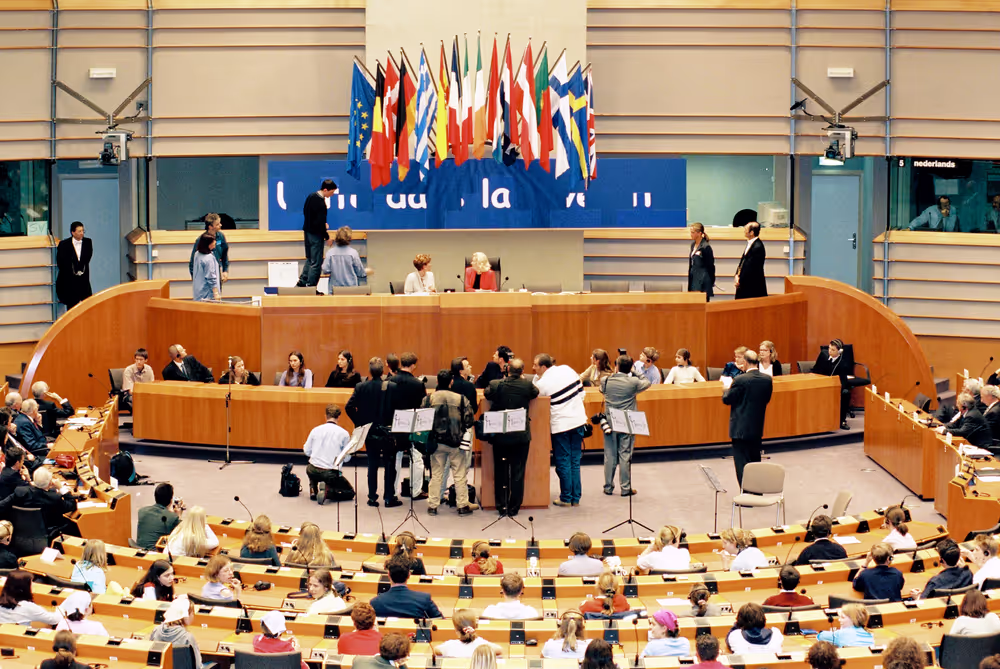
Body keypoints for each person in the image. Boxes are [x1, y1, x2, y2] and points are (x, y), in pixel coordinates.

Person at [484, 358, 538, 517]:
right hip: (520, 436)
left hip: (500, 435)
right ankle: (514, 507)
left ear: (507, 369)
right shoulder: (527, 385)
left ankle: (501, 506)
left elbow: (487, 394)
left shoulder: (495, 384)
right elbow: (535, 393)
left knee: (500, 471)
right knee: (518, 472)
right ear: (522, 371)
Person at [346, 357, 402, 508]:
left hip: (369, 432)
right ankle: (389, 497)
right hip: (388, 432)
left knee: (372, 464)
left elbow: (349, 407)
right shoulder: (393, 387)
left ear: (369, 371)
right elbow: (399, 410)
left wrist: (360, 423)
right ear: (383, 371)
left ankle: (372, 497)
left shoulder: (360, 387)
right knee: (390, 465)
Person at [533, 354, 587, 507]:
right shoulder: (567, 369)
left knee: (563, 460)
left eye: (535, 365)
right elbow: (582, 393)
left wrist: (537, 379)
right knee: (575, 461)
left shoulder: (542, 384)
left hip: (560, 426)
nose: (533, 368)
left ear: (544, 367)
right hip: (578, 421)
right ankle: (575, 498)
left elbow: (536, 398)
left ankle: (566, 497)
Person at [423, 370, 476, 516]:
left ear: (438, 382)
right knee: (459, 474)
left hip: (436, 443)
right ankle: (462, 505)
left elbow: (423, 420)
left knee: (436, 475)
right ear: (451, 382)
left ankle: (433, 505)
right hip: (456, 443)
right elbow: (469, 420)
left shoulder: (429, 399)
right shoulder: (461, 399)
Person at [600, 354, 650, 497]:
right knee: (625, 454)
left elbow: (601, 391)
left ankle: (608, 487)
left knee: (609, 455)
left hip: (610, 421)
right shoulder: (633, 382)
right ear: (630, 368)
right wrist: (634, 371)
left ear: (616, 366)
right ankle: (625, 488)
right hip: (627, 421)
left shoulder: (605, 380)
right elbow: (646, 382)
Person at [722, 349, 773, 486]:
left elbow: (727, 399)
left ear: (745, 362)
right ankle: (757, 492)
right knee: (755, 460)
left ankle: (746, 494)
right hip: (757, 426)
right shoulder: (767, 380)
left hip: (740, 428)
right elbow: (766, 399)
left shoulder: (740, 380)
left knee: (742, 462)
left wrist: (726, 389)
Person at [392, 352, 428, 499]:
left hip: (395, 423)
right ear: (413, 365)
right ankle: (416, 490)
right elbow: (423, 404)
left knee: (396, 459)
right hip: (413, 424)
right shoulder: (418, 384)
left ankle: (393, 491)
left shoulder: (391, 380)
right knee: (417, 459)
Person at [303, 404, 352, 504]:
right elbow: (347, 458)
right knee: (350, 493)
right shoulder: (344, 434)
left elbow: (306, 451)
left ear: (325, 416)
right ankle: (327, 491)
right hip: (330, 473)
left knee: (312, 466)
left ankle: (313, 488)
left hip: (312, 470)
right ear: (339, 417)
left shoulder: (315, 430)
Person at [370, 555, 443, 618]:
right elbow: (441, 622)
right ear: (409, 575)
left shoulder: (375, 603)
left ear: (388, 575)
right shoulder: (424, 599)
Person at [296, 179, 337, 288]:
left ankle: (302, 282)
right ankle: (311, 286)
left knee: (310, 259)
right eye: (331, 192)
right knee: (316, 262)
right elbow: (320, 223)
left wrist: (320, 224)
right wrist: (327, 236)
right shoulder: (321, 203)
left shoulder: (310, 196)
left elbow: (307, 213)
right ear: (325, 190)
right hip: (316, 235)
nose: (332, 195)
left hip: (307, 232)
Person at [13, 467, 77, 536]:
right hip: (54, 532)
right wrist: (61, 488)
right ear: (50, 482)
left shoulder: (23, 493)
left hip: (32, 531)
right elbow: (72, 505)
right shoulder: (54, 498)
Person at [150, 596, 206, 669]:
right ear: (185, 616)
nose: (193, 615)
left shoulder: (156, 630)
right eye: (192, 613)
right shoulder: (187, 637)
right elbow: (198, 666)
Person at [812, 338, 855, 430]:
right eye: (829, 348)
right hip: (820, 383)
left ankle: (842, 420)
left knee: (845, 393)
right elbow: (815, 370)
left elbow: (843, 381)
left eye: (833, 350)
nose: (830, 351)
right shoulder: (823, 355)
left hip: (834, 387)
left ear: (839, 351)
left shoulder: (843, 363)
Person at [55, 221, 93, 310]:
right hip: (70, 283)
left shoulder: (88, 242)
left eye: (83, 231)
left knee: (86, 306)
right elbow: (60, 262)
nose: (82, 233)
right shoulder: (64, 244)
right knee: (71, 308)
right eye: (79, 231)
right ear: (73, 232)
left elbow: (87, 258)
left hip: (83, 281)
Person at [435, 609, 502, 657]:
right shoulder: (483, 645)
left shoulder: (448, 646)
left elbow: (436, 650)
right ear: (475, 626)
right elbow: (499, 650)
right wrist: (475, 637)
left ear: (456, 630)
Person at [136, 482, 182, 550]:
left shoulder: (142, 511)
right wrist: (178, 515)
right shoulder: (173, 517)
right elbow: (182, 531)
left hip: (138, 550)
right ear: (171, 500)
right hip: (157, 554)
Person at [188, 213, 229, 285]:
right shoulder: (201, 240)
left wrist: (225, 270)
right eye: (217, 224)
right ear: (210, 226)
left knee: (217, 294)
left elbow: (224, 254)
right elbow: (193, 262)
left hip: (216, 273)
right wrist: (195, 279)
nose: (220, 225)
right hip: (203, 276)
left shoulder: (221, 237)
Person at [734, 221, 767, 299]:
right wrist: (737, 275)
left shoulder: (757, 247)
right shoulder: (751, 243)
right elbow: (742, 261)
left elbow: (750, 267)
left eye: (746, 229)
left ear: (751, 232)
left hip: (752, 285)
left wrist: (740, 279)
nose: (744, 231)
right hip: (745, 283)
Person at [688, 222, 715, 300]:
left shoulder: (706, 247)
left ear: (699, 233)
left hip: (703, 280)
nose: (691, 234)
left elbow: (710, 266)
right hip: (694, 278)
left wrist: (711, 281)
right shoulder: (693, 245)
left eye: (693, 232)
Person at [191, 232, 221, 302]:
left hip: (198, 292)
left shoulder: (197, 254)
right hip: (207, 294)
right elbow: (211, 277)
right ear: (208, 244)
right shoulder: (208, 259)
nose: (215, 242)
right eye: (213, 241)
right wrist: (216, 293)